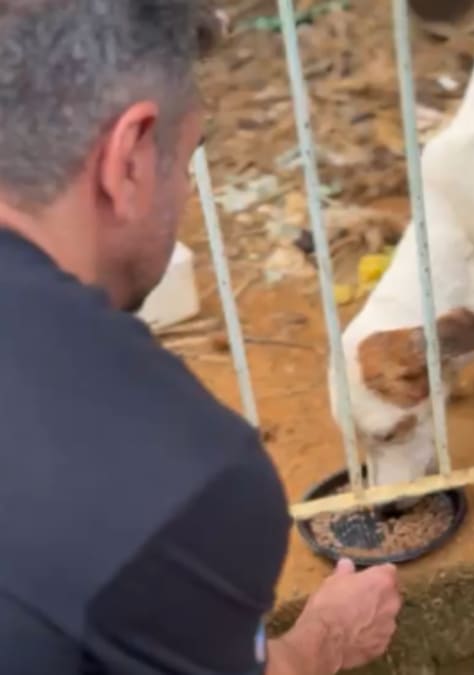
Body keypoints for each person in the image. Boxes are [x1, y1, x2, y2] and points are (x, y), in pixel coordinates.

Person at [0, 2, 402, 672]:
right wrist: (323, 641)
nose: (185, 190)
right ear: (127, 159)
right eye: (187, 160)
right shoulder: (180, 483)